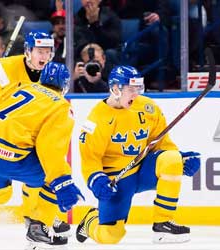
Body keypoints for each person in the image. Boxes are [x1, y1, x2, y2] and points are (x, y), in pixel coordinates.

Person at [0, 62, 84, 249]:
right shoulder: (61, 106)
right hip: (8, 154)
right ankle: (39, 226)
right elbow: (50, 148)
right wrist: (62, 182)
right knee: (53, 177)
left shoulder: (19, 86)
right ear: (65, 85)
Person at [75, 65, 201, 244]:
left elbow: (162, 144)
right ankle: (90, 222)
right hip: (116, 179)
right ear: (116, 88)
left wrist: (182, 158)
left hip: (142, 169)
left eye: (138, 88)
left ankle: (163, 223)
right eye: (131, 89)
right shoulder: (97, 119)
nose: (136, 94)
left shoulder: (148, 107)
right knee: (111, 236)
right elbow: (90, 159)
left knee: (172, 160)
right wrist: (97, 180)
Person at [0, 30, 72, 236]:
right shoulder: (3, 69)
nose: (44, 57)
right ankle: (36, 220)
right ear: (27, 51)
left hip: (22, 131)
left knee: (36, 168)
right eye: (39, 51)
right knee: (43, 171)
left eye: (48, 52)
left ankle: (34, 217)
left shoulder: (49, 73)